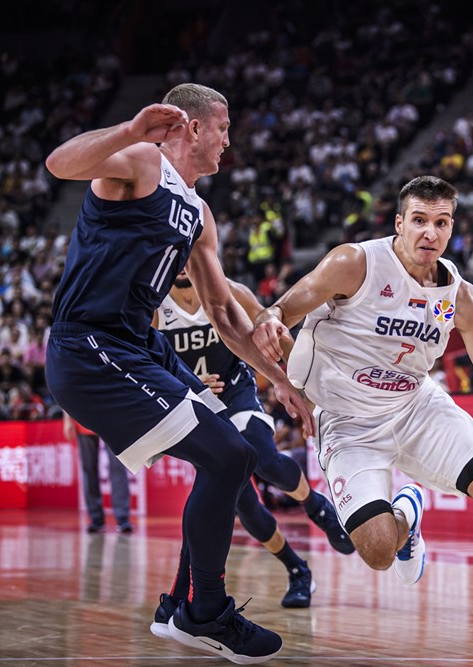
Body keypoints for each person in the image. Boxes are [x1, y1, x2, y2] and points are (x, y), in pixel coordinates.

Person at [253, 176, 473, 654]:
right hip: (347, 421)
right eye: (419, 221)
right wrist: (272, 320)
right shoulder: (354, 264)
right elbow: (284, 307)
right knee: (379, 551)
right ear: (399, 224)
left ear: (451, 228)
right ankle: (408, 511)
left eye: (441, 222)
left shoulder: (461, 299)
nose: (430, 232)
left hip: (417, 406)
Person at [45, 83, 314, 664]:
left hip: (139, 346)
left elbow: (223, 315)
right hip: (90, 344)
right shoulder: (141, 163)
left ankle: (179, 606)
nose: (228, 141)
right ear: (193, 127)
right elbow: (60, 163)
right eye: (223, 128)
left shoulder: (198, 211)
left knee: (235, 451)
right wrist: (129, 129)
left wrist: (280, 380)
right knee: (227, 457)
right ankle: (206, 612)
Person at [152, 268, 354, 610]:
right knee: (245, 506)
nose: (186, 265)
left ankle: (317, 507)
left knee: (263, 458)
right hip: (196, 407)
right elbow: (146, 361)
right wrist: (185, 383)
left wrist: (290, 373)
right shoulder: (155, 307)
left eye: (191, 255)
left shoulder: (228, 292)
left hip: (236, 394)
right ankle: (298, 570)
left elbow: (267, 327)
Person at [64, 412, 134, 533]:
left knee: (118, 467)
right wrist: (67, 419)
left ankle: (122, 518)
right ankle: (96, 519)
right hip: (83, 418)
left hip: (110, 419)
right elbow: (66, 393)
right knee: (89, 468)